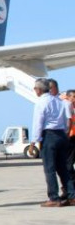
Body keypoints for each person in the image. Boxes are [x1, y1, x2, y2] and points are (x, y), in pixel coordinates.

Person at [29, 78, 75, 207]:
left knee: (50, 168)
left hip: (49, 135)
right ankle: (72, 195)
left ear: (38, 89)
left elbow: (38, 124)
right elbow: (67, 120)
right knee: (63, 168)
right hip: (61, 134)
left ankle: (54, 198)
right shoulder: (59, 101)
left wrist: (33, 142)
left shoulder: (41, 103)